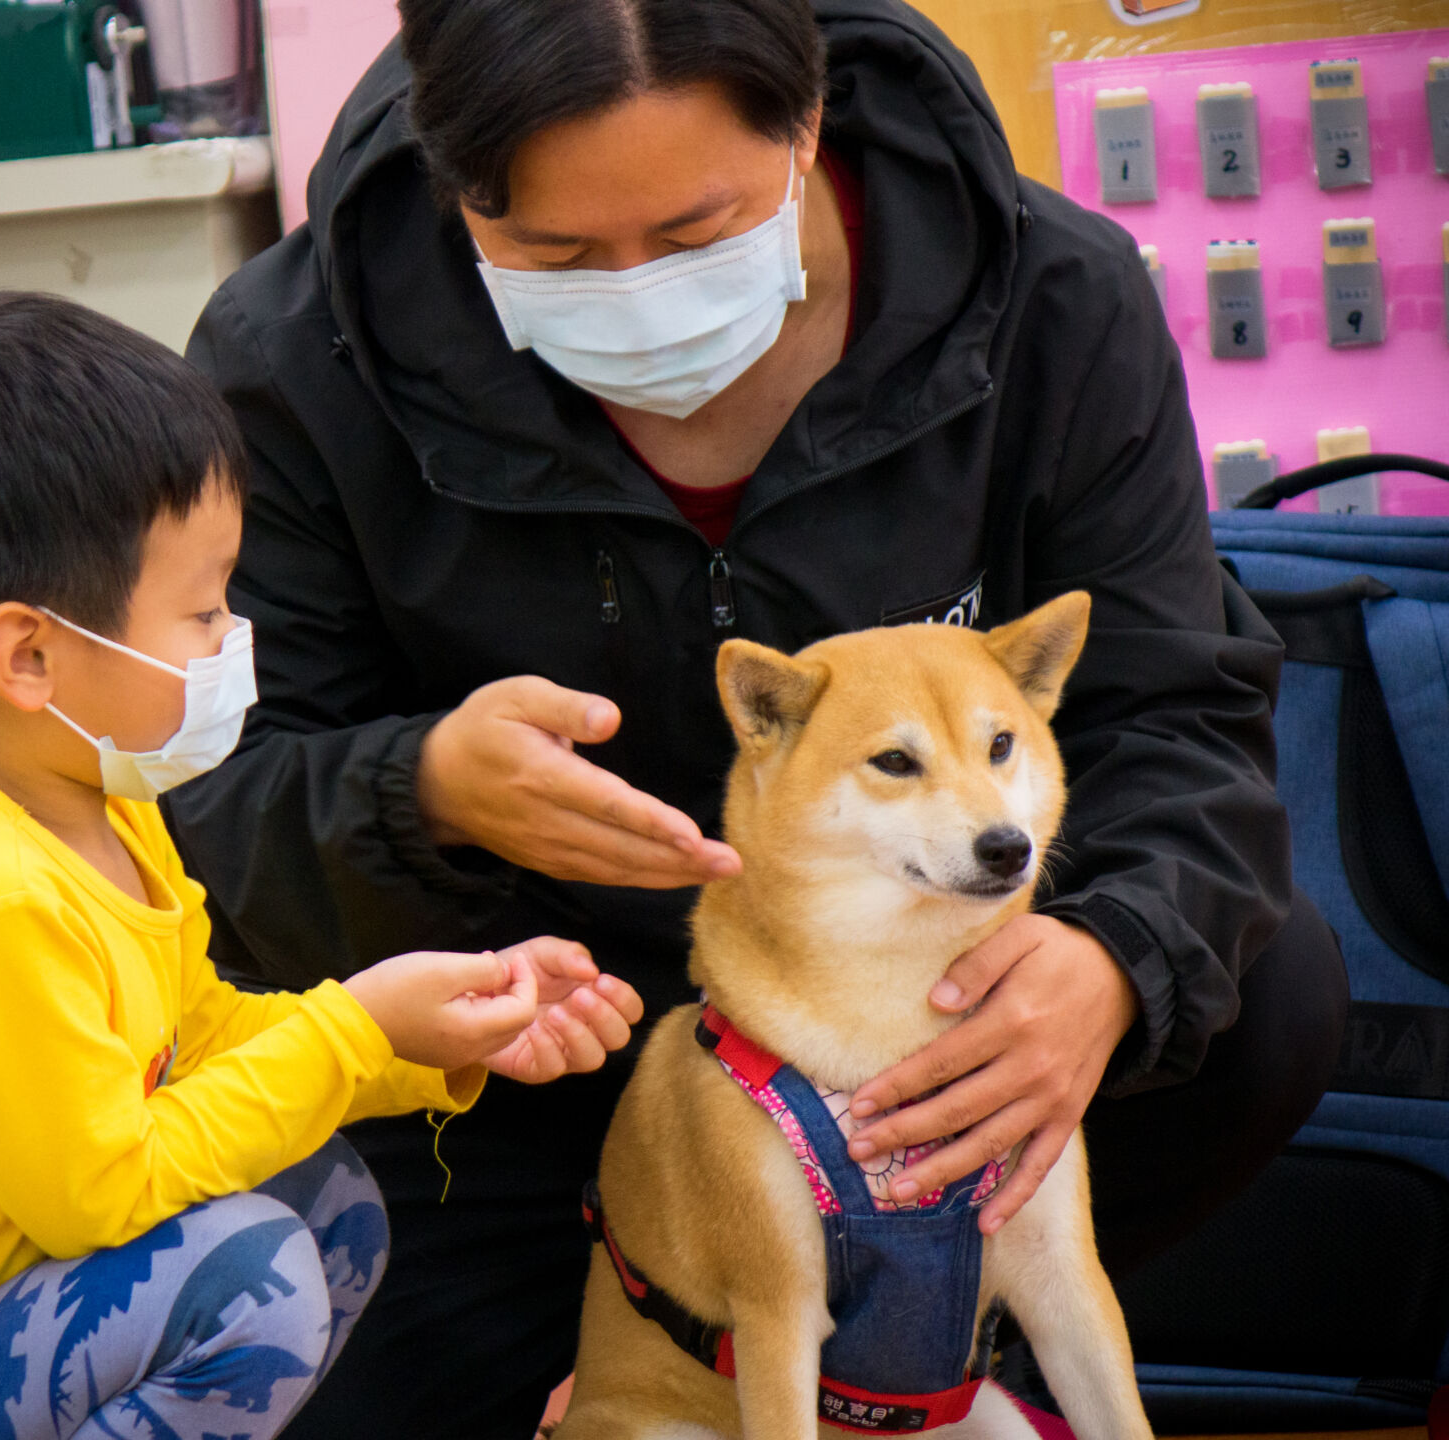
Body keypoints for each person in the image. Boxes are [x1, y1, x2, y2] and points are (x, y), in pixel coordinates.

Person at [164, 1, 1352, 1436]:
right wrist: (415, 793)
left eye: (691, 233)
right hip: (519, 1088)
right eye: (553, 253)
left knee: (1264, 988)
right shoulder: (292, 363)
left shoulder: (1052, 302)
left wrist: (1111, 962)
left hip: (925, 1057)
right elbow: (194, 820)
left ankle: (933, 1347)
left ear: (806, 126)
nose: (634, 288)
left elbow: (1181, 719)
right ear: (451, 183)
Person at [0, 293, 643, 1440]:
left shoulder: (110, 816)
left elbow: (199, 1040)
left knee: (326, 1200)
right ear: (29, 655)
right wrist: (352, 1033)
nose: (234, 641)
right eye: (200, 610)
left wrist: (413, 1035)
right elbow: (106, 1196)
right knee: (253, 1279)